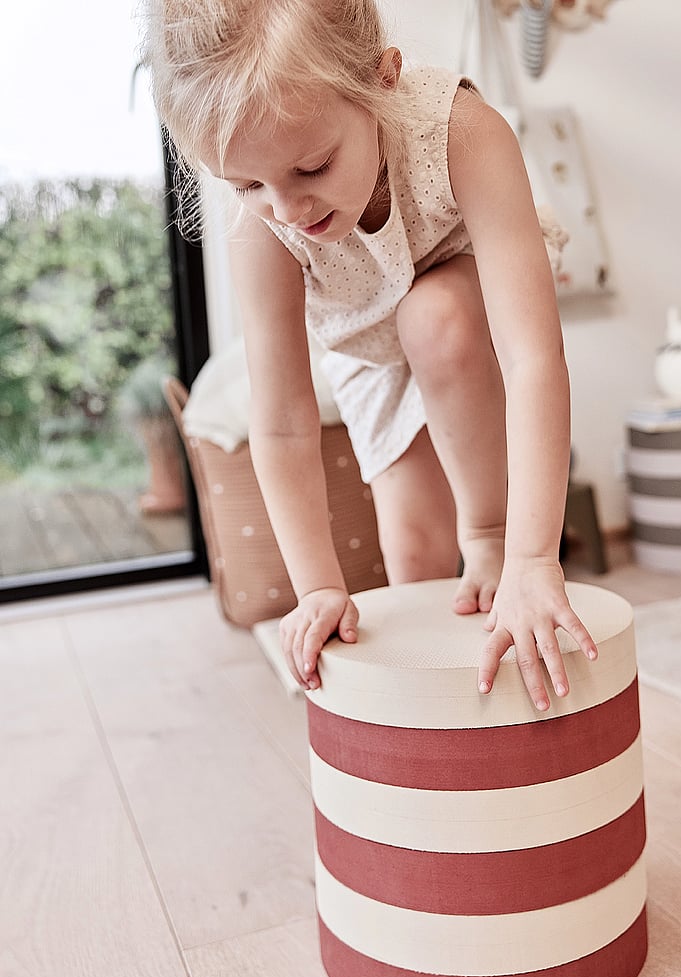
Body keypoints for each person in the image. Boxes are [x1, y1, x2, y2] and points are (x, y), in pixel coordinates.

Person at [142, 0, 598, 710]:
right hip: (371, 348)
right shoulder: (265, 222)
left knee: (433, 317)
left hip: (468, 302)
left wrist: (529, 557)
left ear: (382, 79)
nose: (288, 210)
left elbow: (533, 358)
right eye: (250, 185)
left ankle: (489, 532)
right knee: (414, 569)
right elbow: (283, 419)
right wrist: (319, 587)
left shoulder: (462, 131)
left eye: (313, 166)